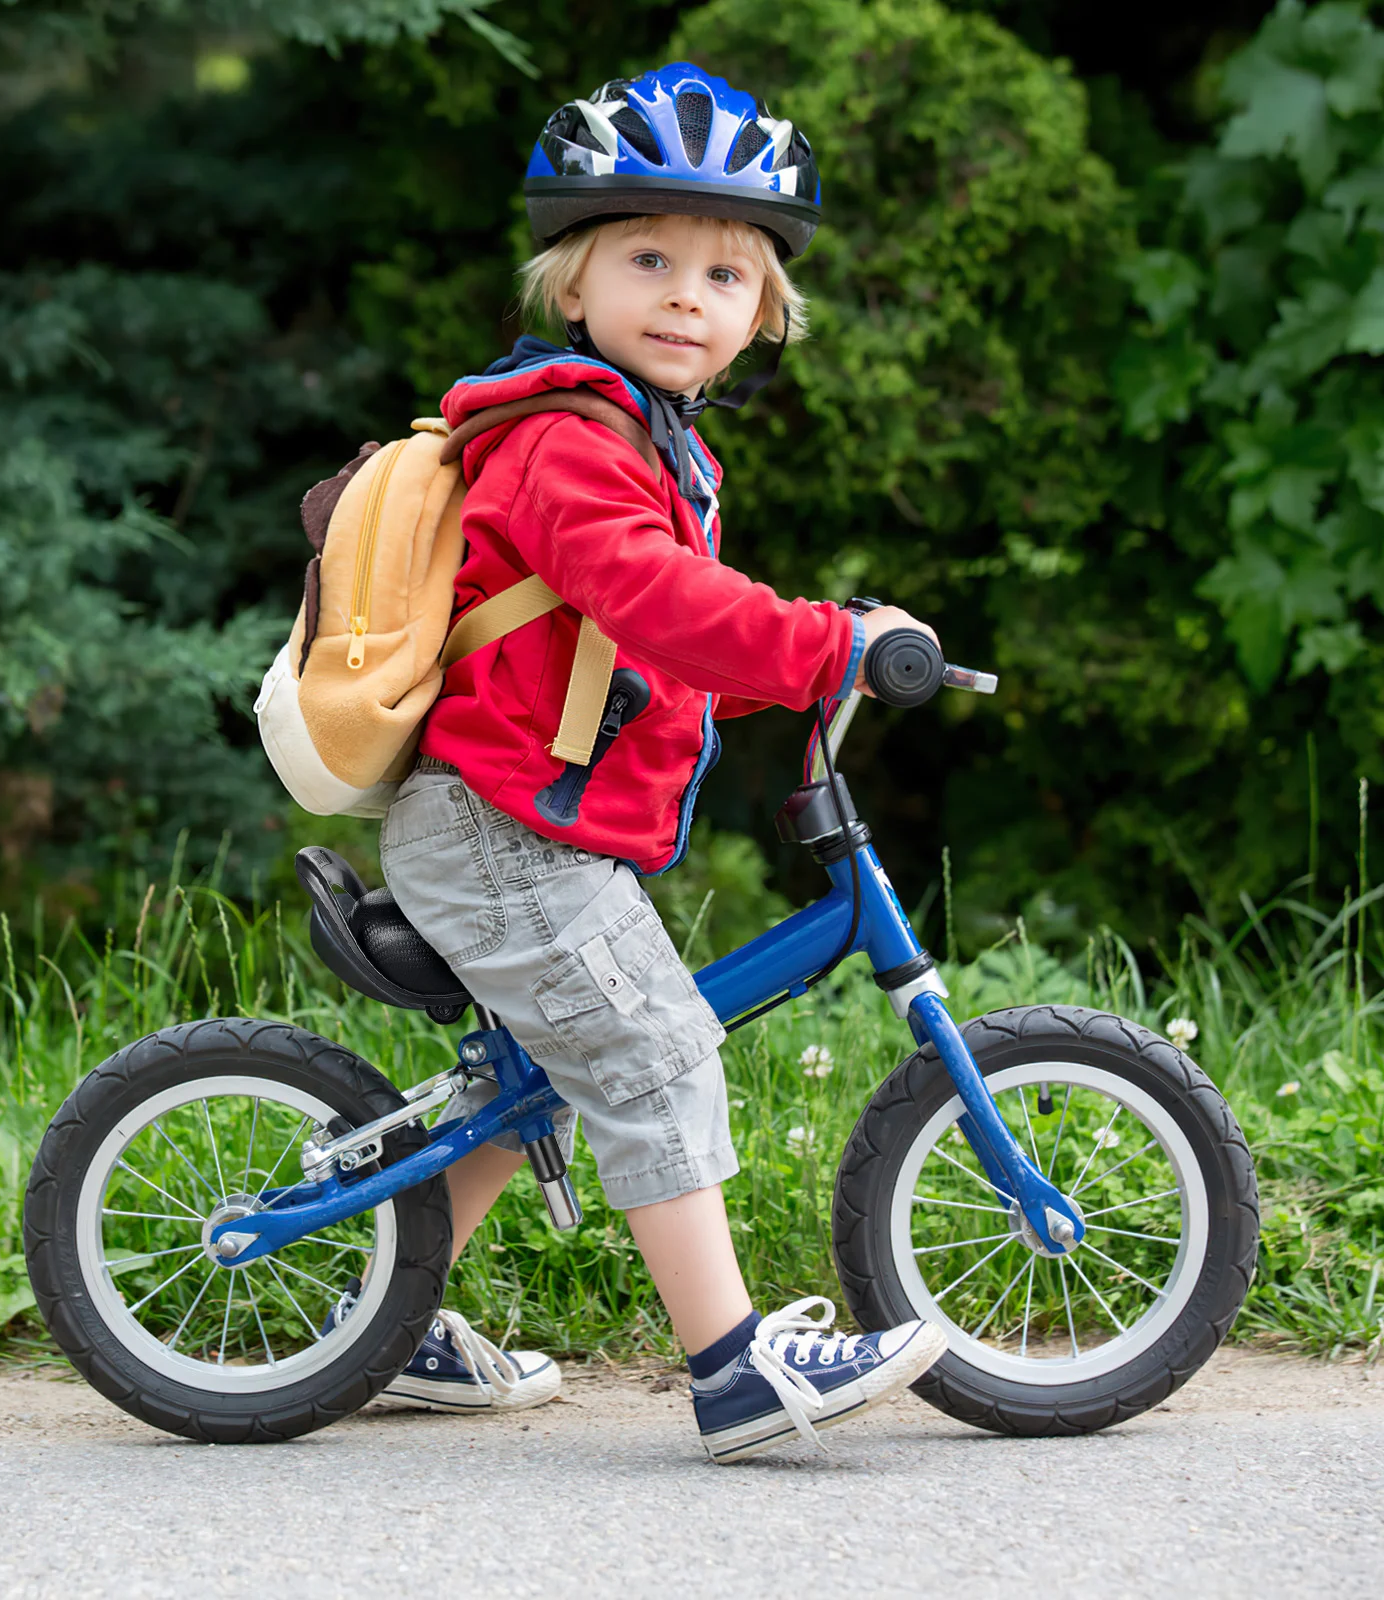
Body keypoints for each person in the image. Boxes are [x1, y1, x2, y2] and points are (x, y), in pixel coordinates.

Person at [346, 62, 947, 1463]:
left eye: (727, 275)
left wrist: (804, 669)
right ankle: (735, 1370)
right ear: (574, 283)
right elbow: (655, 603)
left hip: (516, 819)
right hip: (498, 830)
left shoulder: (648, 446)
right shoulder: (571, 441)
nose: (689, 293)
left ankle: (381, 1313)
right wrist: (827, 643)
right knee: (657, 1047)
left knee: (534, 1081)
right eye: (651, 258)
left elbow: (639, 663)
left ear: (760, 318)